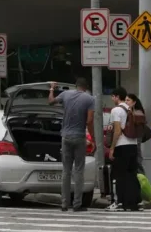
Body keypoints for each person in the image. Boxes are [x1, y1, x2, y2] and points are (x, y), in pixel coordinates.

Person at [49, 79, 95, 212]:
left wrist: (52, 89)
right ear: (86, 88)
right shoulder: (89, 99)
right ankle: (77, 204)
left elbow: (50, 102)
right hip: (79, 137)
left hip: (66, 137)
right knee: (79, 170)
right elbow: (90, 121)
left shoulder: (65, 94)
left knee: (66, 171)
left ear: (76, 86)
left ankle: (64, 204)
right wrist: (93, 139)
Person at [107, 87, 142, 212]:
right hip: (133, 145)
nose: (112, 99)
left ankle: (118, 202)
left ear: (117, 97)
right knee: (132, 175)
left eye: (112, 96)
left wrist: (112, 148)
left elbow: (117, 131)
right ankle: (134, 203)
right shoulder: (130, 109)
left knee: (118, 175)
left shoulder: (116, 110)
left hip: (121, 146)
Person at [126, 93, 146, 175]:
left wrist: (130, 112)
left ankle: (142, 177)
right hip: (130, 138)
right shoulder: (128, 111)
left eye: (128, 100)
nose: (126, 102)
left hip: (136, 137)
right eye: (125, 100)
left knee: (137, 158)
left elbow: (135, 123)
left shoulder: (138, 112)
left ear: (134, 102)